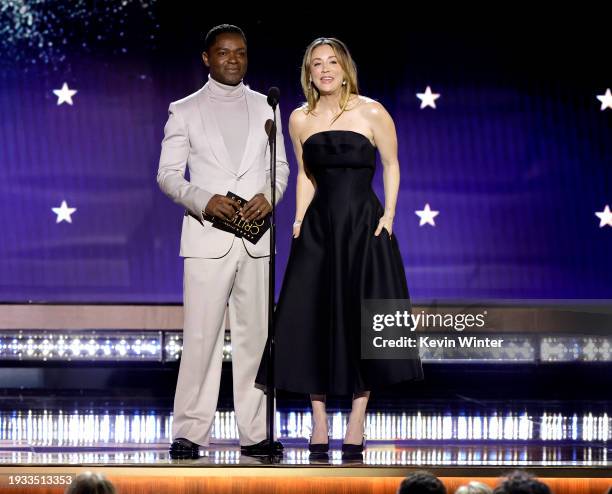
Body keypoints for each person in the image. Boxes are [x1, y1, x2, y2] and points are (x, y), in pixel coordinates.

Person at [255, 37, 423, 455]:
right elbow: (306, 177)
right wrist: (297, 219)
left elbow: (391, 163)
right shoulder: (298, 119)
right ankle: (317, 423)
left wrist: (389, 216)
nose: (325, 69)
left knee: (362, 321)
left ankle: (356, 421)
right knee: (311, 318)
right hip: (318, 230)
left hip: (364, 227)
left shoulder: (372, 111)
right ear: (308, 72)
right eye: (316, 64)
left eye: (332, 62)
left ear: (345, 67)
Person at [157, 24, 289, 458]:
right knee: (201, 338)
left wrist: (268, 198)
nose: (233, 59)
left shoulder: (267, 106)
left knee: (256, 338)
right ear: (206, 58)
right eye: (224, 52)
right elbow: (168, 176)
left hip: (256, 240)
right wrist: (203, 199)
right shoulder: (185, 110)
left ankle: (257, 432)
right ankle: (191, 432)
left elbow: (281, 170)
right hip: (207, 238)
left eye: (240, 53)